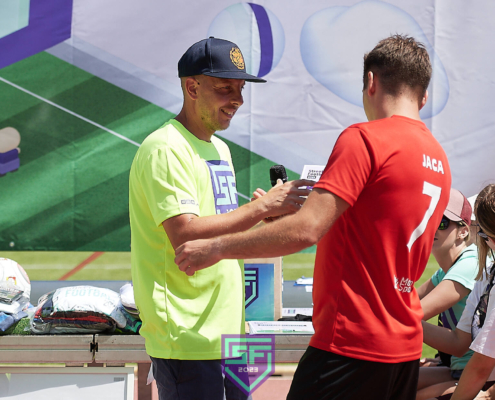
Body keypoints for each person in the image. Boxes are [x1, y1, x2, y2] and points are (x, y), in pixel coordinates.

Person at [175, 35, 452, 400]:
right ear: (424, 96)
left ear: (370, 82)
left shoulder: (366, 139)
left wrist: (216, 248)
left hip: (350, 343)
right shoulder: (438, 157)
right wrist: (283, 221)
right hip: (404, 349)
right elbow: (371, 229)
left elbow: (306, 230)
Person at [129, 37, 312, 400]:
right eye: (225, 88)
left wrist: (261, 218)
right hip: (188, 336)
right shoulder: (165, 148)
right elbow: (185, 234)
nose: (238, 99)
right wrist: (259, 208)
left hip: (229, 333)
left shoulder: (219, 148)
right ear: (192, 87)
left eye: (241, 89)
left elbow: (216, 230)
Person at [421, 183, 495, 400]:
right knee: (393, 381)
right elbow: (459, 342)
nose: (432, 227)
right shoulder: (481, 272)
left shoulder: (471, 265)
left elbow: (411, 312)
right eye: (427, 219)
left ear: (465, 231)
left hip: (477, 373)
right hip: (463, 368)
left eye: (441, 222)